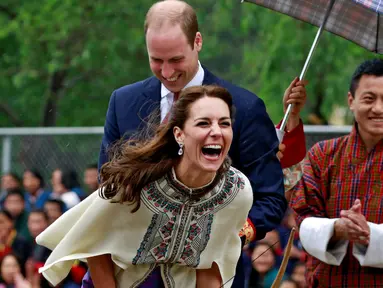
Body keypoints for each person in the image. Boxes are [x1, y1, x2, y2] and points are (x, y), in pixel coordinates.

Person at [97, 1, 308, 286]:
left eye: (176, 59)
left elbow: (269, 198)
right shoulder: (122, 102)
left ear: (198, 41)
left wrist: (231, 235)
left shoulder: (245, 108)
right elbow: (107, 185)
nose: (167, 72)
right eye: (156, 60)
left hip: (213, 272)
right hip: (133, 272)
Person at [36, 85, 254, 287]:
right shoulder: (135, 180)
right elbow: (96, 247)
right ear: (179, 134)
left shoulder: (237, 192)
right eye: (203, 123)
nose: (217, 131)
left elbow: (209, 267)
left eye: (224, 123)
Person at [291, 58, 383, 287]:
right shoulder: (323, 155)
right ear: (351, 101)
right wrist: (337, 229)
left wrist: (369, 233)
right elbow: (303, 221)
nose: (378, 108)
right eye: (369, 99)